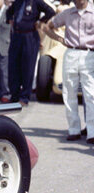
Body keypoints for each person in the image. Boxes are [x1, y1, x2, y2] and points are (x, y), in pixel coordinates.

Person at [43, 0, 93, 143]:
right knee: (69, 92)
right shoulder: (67, 14)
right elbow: (48, 27)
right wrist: (59, 39)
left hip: (89, 54)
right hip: (71, 53)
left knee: (90, 94)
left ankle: (92, 131)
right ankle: (74, 129)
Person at [6, 0, 55, 106]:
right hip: (16, 37)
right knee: (13, 66)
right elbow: (9, 12)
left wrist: (41, 21)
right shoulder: (17, 2)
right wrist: (10, 19)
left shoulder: (36, 2)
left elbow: (51, 11)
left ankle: (24, 98)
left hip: (30, 37)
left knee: (27, 68)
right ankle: (14, 95)